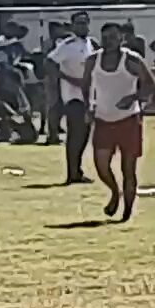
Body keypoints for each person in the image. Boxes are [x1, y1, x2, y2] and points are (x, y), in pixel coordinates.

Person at [81, 23, 155, 221]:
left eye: (113, 37)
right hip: (103, 118)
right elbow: (86, 84)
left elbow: (150, 84)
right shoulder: (92, 60)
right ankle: (115, 192)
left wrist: (133, 98)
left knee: (128, 168)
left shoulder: (131, 60)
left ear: (121, 39)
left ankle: (127, 212)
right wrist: (88, 106)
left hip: (128, 120)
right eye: (105, 37)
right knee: (101, 165)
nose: (108, 41)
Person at [46, 11, 98, 184]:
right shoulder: (67, 45)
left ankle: (77, 170)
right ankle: (72, 173)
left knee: (84, 135)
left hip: (88, 95)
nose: (82, 26)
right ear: (73, 25)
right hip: (73, 96)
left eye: (84, 23)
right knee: (75, 134)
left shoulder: (91, 44)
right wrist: (65, 78)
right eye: (78, 23)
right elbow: (50, 62)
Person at [42, 22, 69, 145]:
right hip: (53, 78)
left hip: (58, 77)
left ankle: (54, 132)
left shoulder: (54, 42)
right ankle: (52, 134)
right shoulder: (53, 43)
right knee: (54, 106)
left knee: (58, 107)